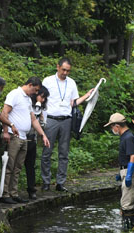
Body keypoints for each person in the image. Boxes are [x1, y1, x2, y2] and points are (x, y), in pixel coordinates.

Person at [41, 57, 93, 192]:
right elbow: (41, 99)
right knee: (47, 151)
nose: (65, 73)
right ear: (57, 67)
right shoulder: (48, 81)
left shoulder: (71, 83)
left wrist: (87, 95)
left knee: (63, 152)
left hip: (66, 119)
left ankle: (60, 182)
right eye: (63, 69)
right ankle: (46, 181)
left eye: (68, 71)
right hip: (51, 118)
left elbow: (73, 102)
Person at [0, 77, 50, 204]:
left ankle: (13, 192)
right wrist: (7, 130)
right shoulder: (15, 94)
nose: (36, 93)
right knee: (10, 165)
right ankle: (5, 193)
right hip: (13, 135)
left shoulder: (27, 99)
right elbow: (4, 113)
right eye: (35, 90)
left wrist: (43, 135)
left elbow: (33, 119)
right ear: (30, 85)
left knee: (18, 167)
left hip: (24, 137)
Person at [104, 113, 134, 230]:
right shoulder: (126, 137)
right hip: (125, 171)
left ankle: (129, 229)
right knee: (125, 202)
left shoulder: (128, 138)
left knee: (126, 205)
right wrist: (120, 173)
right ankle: (130, 228)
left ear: (117, 126)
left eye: (111, 127)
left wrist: (128, 175)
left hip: (130, 173)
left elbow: (133, 157)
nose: (112, 129)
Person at [24, 86, 49, 200]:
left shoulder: (42, 108)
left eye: (44, 98)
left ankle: (31, 189)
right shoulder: (27, 103)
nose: (42, 100)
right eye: (41, 97)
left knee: (31, 166)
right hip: (22, 136)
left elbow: (42, 124)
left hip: (33, 138)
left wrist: (41, 116)